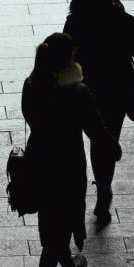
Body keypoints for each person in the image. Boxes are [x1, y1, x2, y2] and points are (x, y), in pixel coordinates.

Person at [22, 33, 121, 267]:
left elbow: (33, 119)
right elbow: (97, 131)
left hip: (39, 165)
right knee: (56, 237)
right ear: (68, 61)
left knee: (54, 227)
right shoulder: (77, 93)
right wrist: (113, 149)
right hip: (67, 170)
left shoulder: (31, 87)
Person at [64, 0, 134, 226]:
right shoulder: (122, 19)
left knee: (97, 138)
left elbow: (66, 57)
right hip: (118, 87)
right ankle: (104, 186)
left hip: (88, 88)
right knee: (108, 135)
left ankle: (100, 185)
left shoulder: (75, 21)